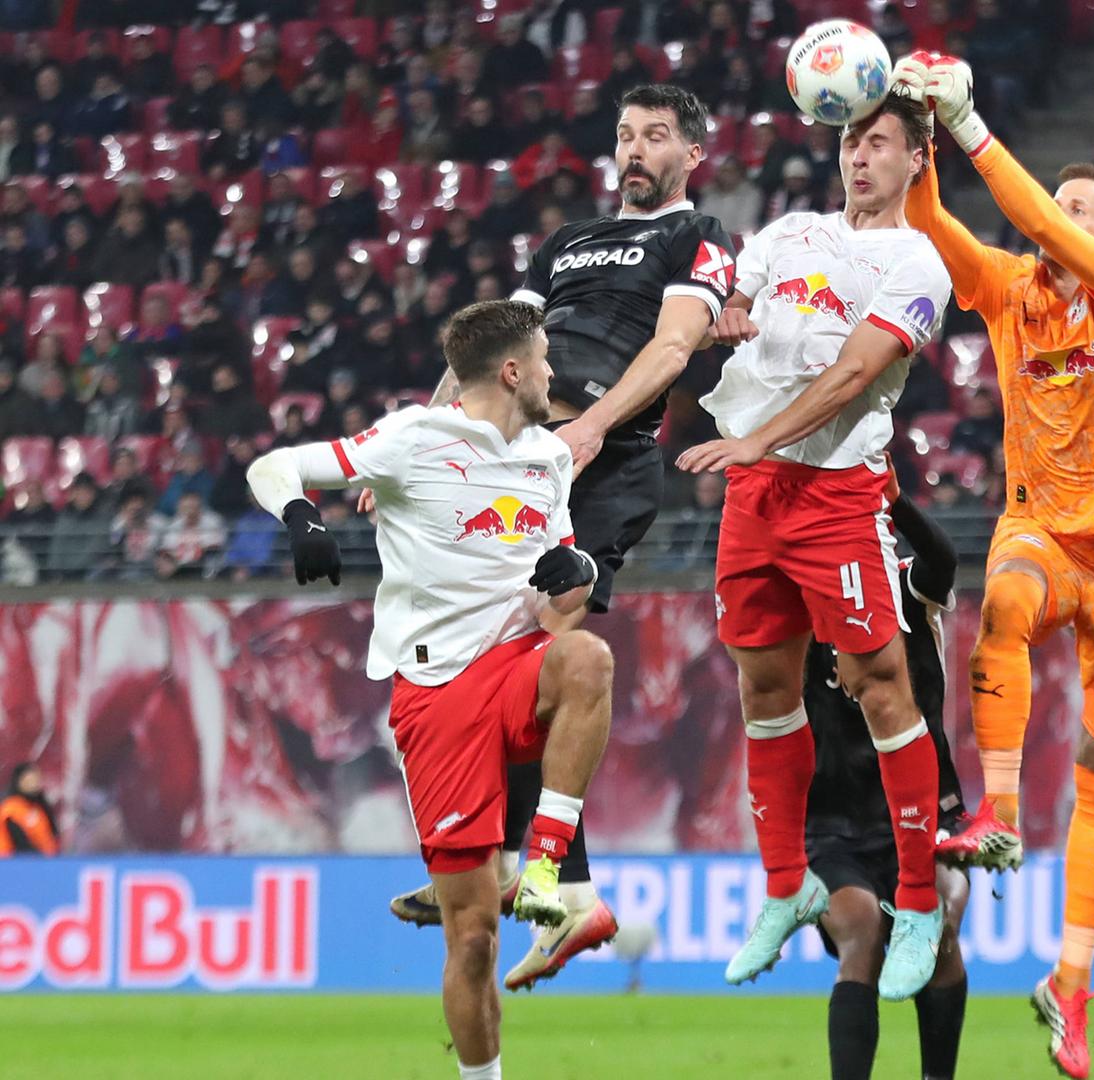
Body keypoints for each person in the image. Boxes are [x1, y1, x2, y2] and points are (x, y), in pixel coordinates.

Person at [385, 85, 736, 985]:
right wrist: (417, 448)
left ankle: (528, 870)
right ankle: (546, 883)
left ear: (691, 155)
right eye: (625, 135)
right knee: (487, 658)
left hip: (602, 462)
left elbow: (670, 350)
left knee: (542, 656)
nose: (636, 150)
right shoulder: (564, 243)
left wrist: (591, 430)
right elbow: (481, 356)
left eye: (657, 137)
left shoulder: (696, 239)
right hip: (514, 460)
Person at [894, 53, 1094, 1077]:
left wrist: (975, 128)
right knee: (1003, 603)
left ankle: (1071, 980)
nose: (1053, 217)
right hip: (1048, 533)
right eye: (1052, 202)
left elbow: (1048, 230)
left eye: (1074, 207)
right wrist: (924, 140)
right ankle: (1003, 813)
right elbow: (935, 230)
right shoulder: (1015, 293)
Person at [245, 300, 614, 1080]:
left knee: (588, 659)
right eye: (545, 360)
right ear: (513, 371)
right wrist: (303, 516)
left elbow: (561, 608)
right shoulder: (411, 439)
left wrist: (574, 577)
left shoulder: (547, 460)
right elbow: (271, 465)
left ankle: (545, 863)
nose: (554, 375)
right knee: (472, 936)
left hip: (517, 666)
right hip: (437, 695)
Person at [674, 93, 954, 1002]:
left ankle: (917, 900)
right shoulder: (790, 231)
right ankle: (786, 884)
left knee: (878, 686)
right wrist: (733, 307)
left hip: (836, 495)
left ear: (918, 159)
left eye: (880, 144)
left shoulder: (917, 261)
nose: (859, 158)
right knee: (764, 686)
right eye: (850, 141)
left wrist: (759, 436)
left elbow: (855, 372)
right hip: (754, 496)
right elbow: (732, 281)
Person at [805, 473, 971, 1080]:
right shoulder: (796, 610)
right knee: (863, 934)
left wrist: (890, 496)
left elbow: (943, 556)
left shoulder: (909, 589)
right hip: (833, 828)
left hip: (929, 813)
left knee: (942, 927)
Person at [0, 763, 59, 856]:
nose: (34, 784)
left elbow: (53, 832)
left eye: (36, 780)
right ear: (19, 781)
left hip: (46, 861)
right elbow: (19, 842)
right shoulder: (11, 808)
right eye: (29, 780)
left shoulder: (40, 805)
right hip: (16, 864)